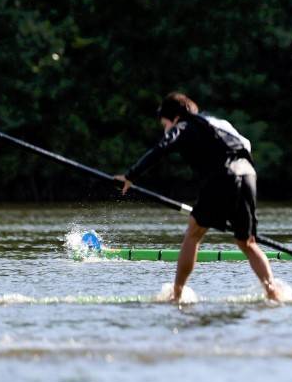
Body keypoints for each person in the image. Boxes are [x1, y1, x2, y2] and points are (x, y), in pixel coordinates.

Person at [113, 92, 281, 301]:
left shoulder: (183, 126)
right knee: (246, 242)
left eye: (164, 123)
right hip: (249, 174)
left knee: (193, 233)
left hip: (225, 175)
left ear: (174, 117)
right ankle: (273, 292)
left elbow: (162, 148)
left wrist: (130, 176)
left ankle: (177, 294)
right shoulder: (217, 122)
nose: (165, 128)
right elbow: (245, 145)